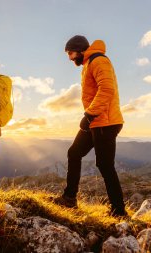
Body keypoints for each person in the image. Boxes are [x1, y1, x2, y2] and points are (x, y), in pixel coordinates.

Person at [54, 35, 127, 217]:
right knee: (74, 153)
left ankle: (119, 211)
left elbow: (107, 89)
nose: (70, 58)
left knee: (105, 165)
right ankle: (69, 198)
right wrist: (90, 117)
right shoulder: (89, 63)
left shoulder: (98, 61)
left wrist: (89, 114)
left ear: (79, 50)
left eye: (70, 53)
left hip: (105, 122)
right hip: (96, 121)